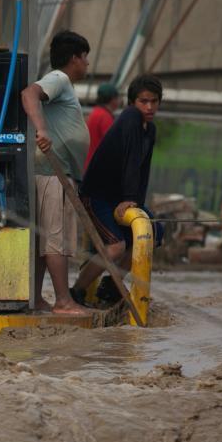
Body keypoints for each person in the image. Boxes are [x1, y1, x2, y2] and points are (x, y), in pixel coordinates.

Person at [72, 74, 165, 299]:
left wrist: (138, 205)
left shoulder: (150, 130)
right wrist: (129, 197)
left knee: (154, 230)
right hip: (97, 195)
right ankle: (77, 292)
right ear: (132, 102)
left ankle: (111, 286)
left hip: (119, 198)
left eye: (154, 101)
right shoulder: (131, 117)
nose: (149, 106)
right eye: (144, 101)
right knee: (116, 246)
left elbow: (143, 169)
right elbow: (131, 160)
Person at [21, 30, 91, 315]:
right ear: (75, 58)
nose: (87, 64)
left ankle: (37, 298)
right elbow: (29, 93)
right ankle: (63, 301)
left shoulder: (63, 86)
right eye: (85, 58)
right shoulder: (60, 78)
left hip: (53, 172)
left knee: (44, 239)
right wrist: (42, 129)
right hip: (53, 172)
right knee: (55, 239)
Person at [84, 83, 120, 168]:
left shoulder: (94, 113)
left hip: (89, 164)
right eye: (117, 98)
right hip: (100, 167)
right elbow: (112, 145)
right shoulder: (105, 117)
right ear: (113, 99)